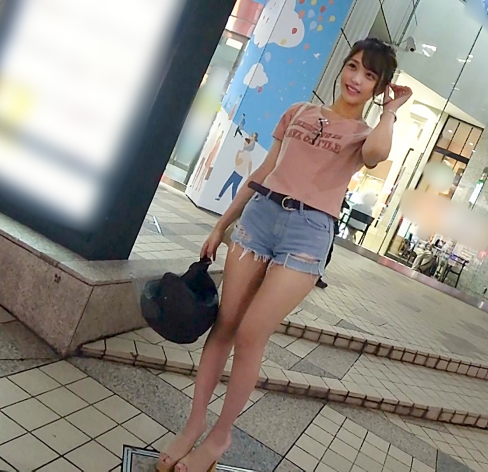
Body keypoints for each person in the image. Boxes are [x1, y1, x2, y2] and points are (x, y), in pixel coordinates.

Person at [158, 38, 412, 472]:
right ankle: (193, 425)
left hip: (308, 233)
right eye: (353, 66)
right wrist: (221, 225)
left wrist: (390, 111)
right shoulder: (298, 112)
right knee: (225, 326)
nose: (356, 78)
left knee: (251, 333)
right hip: (259, 219)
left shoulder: (365, 135)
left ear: (378, 87)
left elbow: (376, 154)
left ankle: (219, 438)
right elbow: (264, 171)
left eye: (370, 75)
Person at [216, 132, 257, 201]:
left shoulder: (244, 154)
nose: (244, 143)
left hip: (237, 172)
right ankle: (232, 201)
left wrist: (237, 154)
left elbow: (237, 163)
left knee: (228, 184)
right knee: (234, 187)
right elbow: (250, 164)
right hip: (241, 174)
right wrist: (248, 174)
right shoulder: (248, 155)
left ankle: (220, 196)